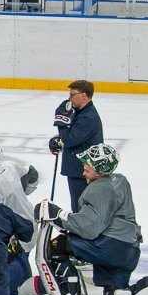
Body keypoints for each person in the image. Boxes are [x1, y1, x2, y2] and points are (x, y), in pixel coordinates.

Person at [35, 144, 148, 295]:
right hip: (128, 249)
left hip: (111, 247)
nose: (83, 173)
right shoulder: (119, 180)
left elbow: (89, 228)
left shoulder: (99, 189)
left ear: (100, 171)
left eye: (87, 169)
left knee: (60, 245)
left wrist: (59, 215)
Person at [49, 79, 103, 211]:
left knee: (81, 207)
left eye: (72, 95)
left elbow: (69, 139)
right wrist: (57, 140)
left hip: (83, 171)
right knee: (78, 204)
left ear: (84, 95)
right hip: (79, 168)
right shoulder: (80, 112)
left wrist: (61, 122)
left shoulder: (88, 117)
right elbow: (71, 135)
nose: (70, 98)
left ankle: (79, 231)